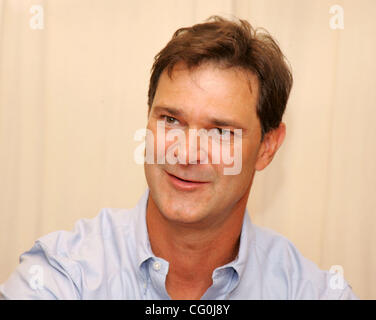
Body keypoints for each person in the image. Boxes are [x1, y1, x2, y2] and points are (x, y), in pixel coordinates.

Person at [0, 16, 358, 300]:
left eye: (220, 131)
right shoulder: (61, 276)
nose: (185, 153)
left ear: (267, 146)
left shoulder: (314, 293)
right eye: (171, 120)